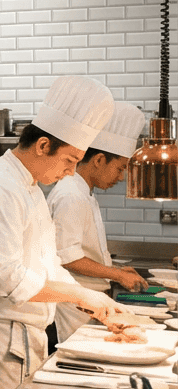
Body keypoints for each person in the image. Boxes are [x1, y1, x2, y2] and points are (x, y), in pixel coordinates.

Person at [0, 76, 138, 389]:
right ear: (44, 145)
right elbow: (5, 279)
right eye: (70, 160)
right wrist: (82, 295)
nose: (71, 172)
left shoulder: (29, 187)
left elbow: (50, 264)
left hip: (16, 338)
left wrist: (91, 301)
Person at [48, 101, 149, 342]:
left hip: (89, 302)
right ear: (99, 159)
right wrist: (117, 275)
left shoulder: (83, 192)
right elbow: (68, 257)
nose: (121, 177)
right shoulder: (71, 195)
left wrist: (115, 271)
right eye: (120, 168)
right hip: (75, 305)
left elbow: (82, 250)